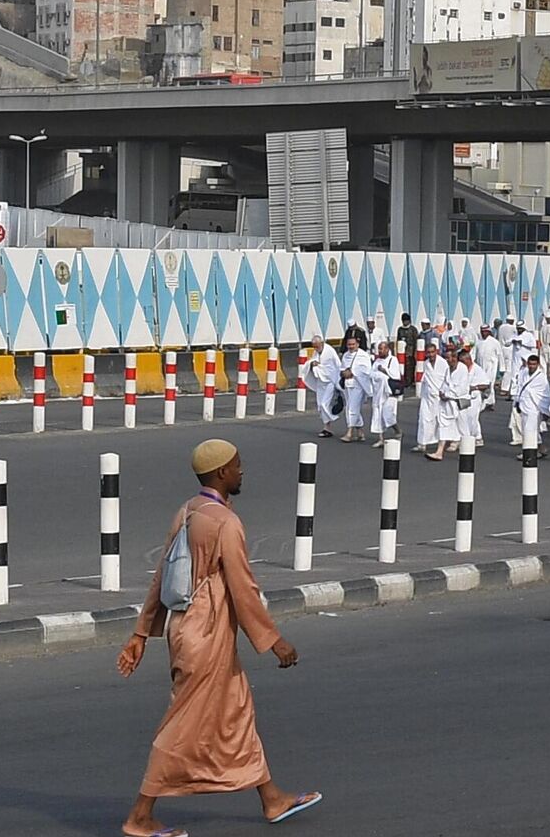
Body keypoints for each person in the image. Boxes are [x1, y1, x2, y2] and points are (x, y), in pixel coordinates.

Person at [118, 440, 321, 837]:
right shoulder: (226, 523)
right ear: (221, 474)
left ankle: (271, 798)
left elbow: (162, 575)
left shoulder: (189, 510)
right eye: (238, 467)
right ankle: (140, 816)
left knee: (237, 711)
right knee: (182, 725)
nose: (242, 472)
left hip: (187, 629)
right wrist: (274, 640)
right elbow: (243, 588)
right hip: (205, 635)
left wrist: (142, 633)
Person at [511, 353, 550, 457]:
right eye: (530, 364)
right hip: (524, 405)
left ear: (538, 364)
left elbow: (544, 394)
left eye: (534, 364)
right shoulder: (523, 373)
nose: (532, 366)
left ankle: (528, 453)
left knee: (530, 430)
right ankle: (539, 449)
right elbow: (520, 387)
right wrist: (517, 401)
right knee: (527, 429)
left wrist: (545, 410)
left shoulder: (541, 377)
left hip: (534, 407)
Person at [412, 339, 447, 456]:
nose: (431, 355)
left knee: (439, 421)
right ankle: (422, 444)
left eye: (433, 352)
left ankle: (441, 444)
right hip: (427, 397)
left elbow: (447, 380)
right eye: (429, 352)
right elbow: (424, 379)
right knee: (423, 419)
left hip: (439, 398)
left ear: (436, 352)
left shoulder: (443, 363)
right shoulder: (426, 364)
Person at [304, 333, 341, 439]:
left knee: (325, 403)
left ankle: (331, 421)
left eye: (317, 346)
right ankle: (326, 428)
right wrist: (312, 364)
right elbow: (311, 361)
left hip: (330, 381)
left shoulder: (330, 351)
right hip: (320, 381)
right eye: (314, 346)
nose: (316, 348)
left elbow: (338, 365)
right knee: (320, 405)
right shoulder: (316, 352)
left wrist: (338, 382)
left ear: (322, 343)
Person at [368, 341, 401, 448]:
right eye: (379, 349)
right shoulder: (377, 361)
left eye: (382, 349)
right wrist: (378, 375)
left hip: (389, 393)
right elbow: (371, 374)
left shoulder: (393, 360)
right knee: (378, 415)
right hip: (378, 393)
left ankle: (398, 430)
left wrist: (384, 370)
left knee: (388, 415)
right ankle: (381, 438)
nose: (380, 351)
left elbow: (396, 375)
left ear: (387, 349)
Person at [338, 336, 370, 443]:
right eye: (349, 344)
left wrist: (353, 372)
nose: (351, 346)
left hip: (358, 385)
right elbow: (342, 369)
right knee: (351, 406)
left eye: (353, 344)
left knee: (352, 408)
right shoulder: (346, 355)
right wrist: (344, 373)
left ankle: (349, 432)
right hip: (348, 385)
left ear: (357, 344)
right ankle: (360, 432)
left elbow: (366, 370)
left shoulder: (363, 355)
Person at [473, 325, 503, 412]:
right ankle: (490, 402)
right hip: (480, 366)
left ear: (489, 332)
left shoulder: (494, 342)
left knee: (489, 383)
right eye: (482, 331)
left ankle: (486, 403)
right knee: (483, 383)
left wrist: (502, 368)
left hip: (491, 366)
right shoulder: (479, 342)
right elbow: (474, 354)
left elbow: (500, 355)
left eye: (485, 331)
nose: (483, 333)